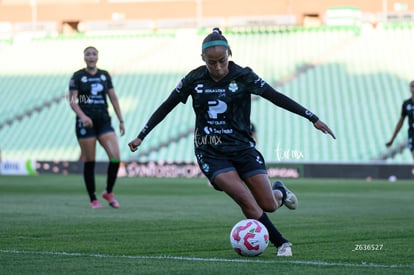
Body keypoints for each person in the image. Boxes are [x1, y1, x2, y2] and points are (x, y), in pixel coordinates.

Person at [128, 28, 335, 256]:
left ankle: (279, 191)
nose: (217, 67)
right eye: (211, 62)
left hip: (243, 148)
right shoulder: (193, 79)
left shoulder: (243, 76)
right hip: (210, 151)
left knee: (268, 204)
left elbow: (275, 96)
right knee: (244, 198)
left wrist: (312, 117)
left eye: (222, 61)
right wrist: (142, 135)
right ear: (203, 59)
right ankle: (281, 243)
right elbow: (167, 105)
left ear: (230, 54)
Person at [69, 46, 125, 209]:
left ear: (98, 57)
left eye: (94, 54)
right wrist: (83, 116)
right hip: (86, 123)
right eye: (88, 54)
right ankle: (93, 198)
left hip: (104, 121)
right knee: (90, 161)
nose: (91, 57)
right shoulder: (78, 76)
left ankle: (108, 191)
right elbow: (73, 100)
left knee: (115, 157)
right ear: (84, 57)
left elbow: (113, 97)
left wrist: (121, 120)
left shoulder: (104, 75)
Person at [386, 80, 414, 158]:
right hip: (412, 134)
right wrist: (392, 139)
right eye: (412, 86)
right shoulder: (406, 104)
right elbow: (400, 122)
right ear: (410, 89)